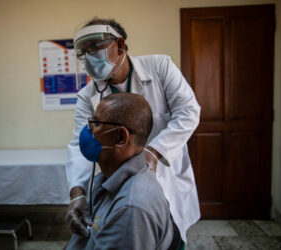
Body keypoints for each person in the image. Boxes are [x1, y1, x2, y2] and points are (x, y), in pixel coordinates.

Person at [65, 17, 201, 248]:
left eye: (95, 48)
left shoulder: (160, 67)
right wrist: (77, 194)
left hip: (164, 176)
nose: (89, 57)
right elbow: (80, 146)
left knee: (167, 233)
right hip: (123, 180)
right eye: (84, 52)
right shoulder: (87, 95)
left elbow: (188, 111)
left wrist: (153, 152)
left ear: (119, 45)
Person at [66, 92, 177, 250]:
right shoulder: (108, 178)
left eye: (95, 123)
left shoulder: (131, 210)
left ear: (120, 138)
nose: (87, 129)